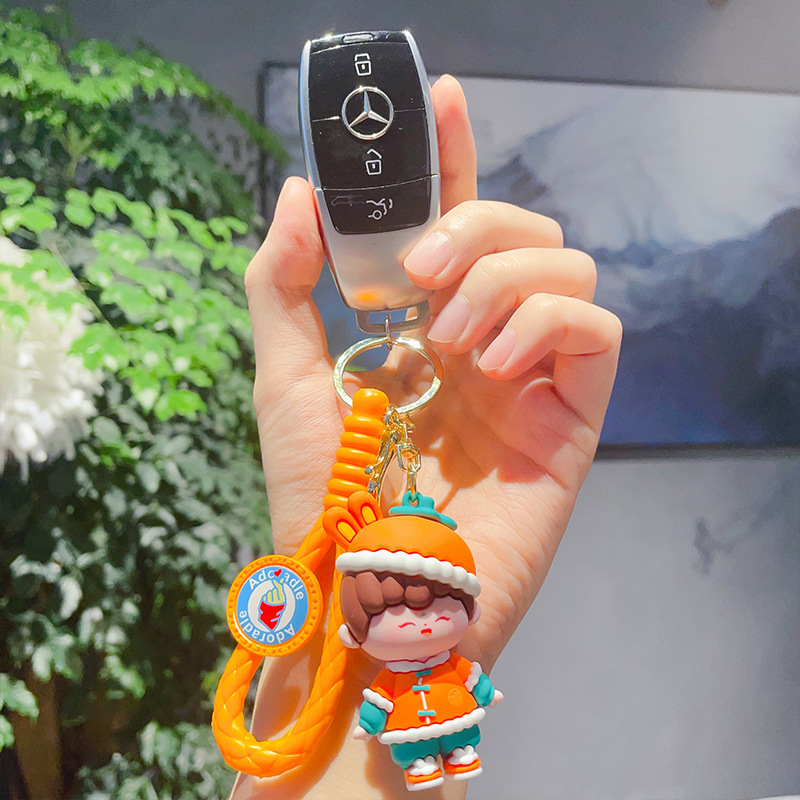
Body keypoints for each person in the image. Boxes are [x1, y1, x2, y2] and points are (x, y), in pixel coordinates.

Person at [230, 74, 622, 800]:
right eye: (397, 610)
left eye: (433, 607)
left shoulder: (432, 644)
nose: (416, 622)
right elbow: (368, 707)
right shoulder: (370, 619)